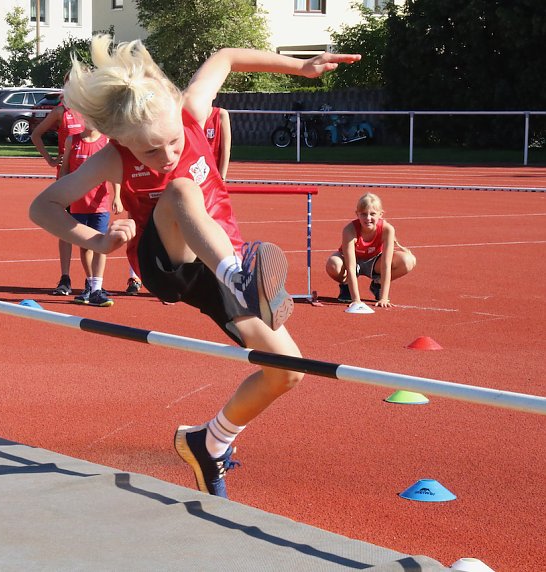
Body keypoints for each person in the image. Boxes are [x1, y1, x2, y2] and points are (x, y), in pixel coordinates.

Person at [30, 35, 360, 498]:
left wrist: (299, 67)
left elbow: (225, 56)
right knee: (181, 190)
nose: (164, 157)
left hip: (221, 261)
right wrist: (100, 241)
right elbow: (43, 207)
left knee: (288, 370)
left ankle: (210, 442)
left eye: (171, 143)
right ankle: (239, 278)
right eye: (149, 152)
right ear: (122, 142)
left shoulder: (190, 110)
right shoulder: (114, 157)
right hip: (166, 261)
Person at [59, 124, 121, 307]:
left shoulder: (106, 141)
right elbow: (65, 169)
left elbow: (114, 171)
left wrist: (117, 196)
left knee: (101, 243)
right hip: (78, 201)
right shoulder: (73, 140)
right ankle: (90, 283)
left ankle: (97, 288)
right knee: (85, 245)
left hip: (100, 202)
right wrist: (61, 193)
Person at [31, 95, 86, 296]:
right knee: (65, 229)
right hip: (67, 178)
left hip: (91, 180)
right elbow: (36, 134)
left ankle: (93, 282)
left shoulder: (93, 109)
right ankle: (65, 278)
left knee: (90, 228)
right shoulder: (60, 112)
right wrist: (51, 160)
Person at [326, 192, 416, 308]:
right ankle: (347, 286)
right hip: (353, 261)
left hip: (375, 262)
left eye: (372, 214)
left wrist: (384, 298)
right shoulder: (349, 230)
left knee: (408, 260)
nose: (368, 218)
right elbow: (351, 266)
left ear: (381, 214)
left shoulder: (387, 229)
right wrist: (356, 300)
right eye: (363, 214)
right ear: (357, 214)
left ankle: (377, 285)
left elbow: (386, 265)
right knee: (333, 264)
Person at [204, 106, 232, 180]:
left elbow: (226, 149)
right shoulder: (189, 115)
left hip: (213, 174)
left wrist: (222, 177)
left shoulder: (221, 115)